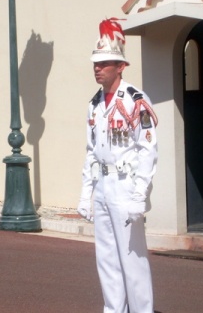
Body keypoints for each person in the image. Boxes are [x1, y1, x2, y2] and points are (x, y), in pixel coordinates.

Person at [78, 18, 158, 313]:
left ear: (120, 66)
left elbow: (148, 147)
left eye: (104, 63)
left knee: (132, 259)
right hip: (102, 185)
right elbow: (91, 151)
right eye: (96, 63)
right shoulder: (94, 103)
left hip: (125, 187)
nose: (97, 68)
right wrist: (85, 193)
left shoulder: (135, 100)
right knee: (107, 259)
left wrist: (140, 194)